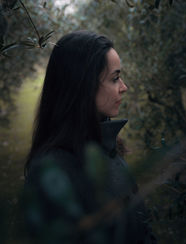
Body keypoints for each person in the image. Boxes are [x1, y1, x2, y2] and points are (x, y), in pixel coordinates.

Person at [23, 30, 156, 243]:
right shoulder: (52, 173)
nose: (124, 87)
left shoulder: (107, 146)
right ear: (82, 85)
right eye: (115, 79)